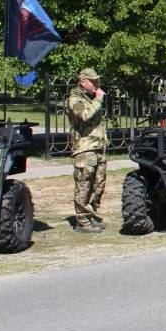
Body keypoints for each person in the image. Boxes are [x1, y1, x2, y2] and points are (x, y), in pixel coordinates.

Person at [66, 68, 108, 233]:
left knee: (98, 185)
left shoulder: (90, 98)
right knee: (84, 185)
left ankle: (91, 215)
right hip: (85, 149)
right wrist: (98, 99)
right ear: (82, 81)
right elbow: (84, 115)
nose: (97, 84)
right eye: (93, 81)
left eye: (97, 81)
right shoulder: (75, 99)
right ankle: (82, 221)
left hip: (98, 147)